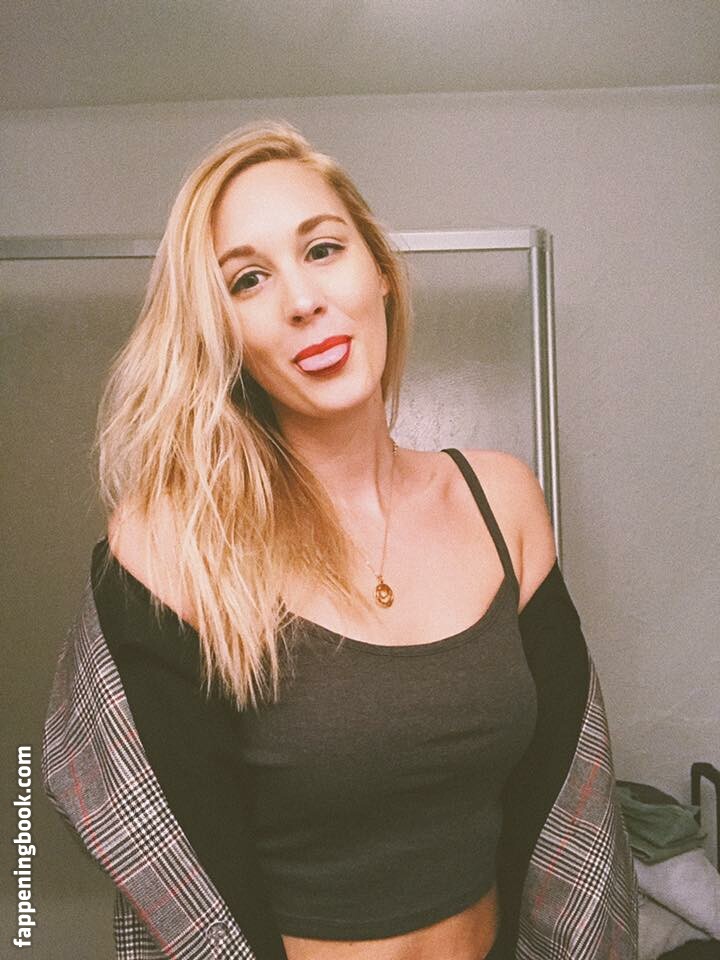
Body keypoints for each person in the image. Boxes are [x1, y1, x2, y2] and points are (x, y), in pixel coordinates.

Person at [42, 119, 638, 960]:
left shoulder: (504, 501)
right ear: (221, 331)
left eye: (322, 250)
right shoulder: (173, 542)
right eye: (248, 280)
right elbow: (166, 854)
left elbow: (566, 800)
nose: (302, 300)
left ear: (380, 271)